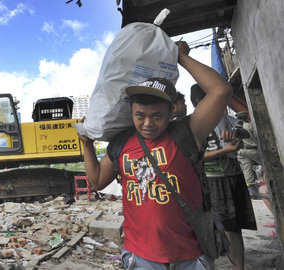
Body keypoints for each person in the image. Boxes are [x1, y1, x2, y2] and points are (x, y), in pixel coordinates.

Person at [79, 41, 231, 269]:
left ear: (170, 112)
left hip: (190, 255)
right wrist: (87, 145)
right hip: (141, 257)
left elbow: (221, 91)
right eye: (140, 115)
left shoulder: (186, 133)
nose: (148, 123)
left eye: (157, 116)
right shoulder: (121, 144)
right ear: (131, 112)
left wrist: (181, 57)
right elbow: (98, 181)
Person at [190, 84, 257, 270]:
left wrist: (235, 137)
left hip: (231, 176)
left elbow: (242, 133)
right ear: (200, 100)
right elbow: (194, 157)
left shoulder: (224, 118)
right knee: (215, 227)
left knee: (233, 227)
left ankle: (238, 267)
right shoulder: (194, 124)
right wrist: (224, 151)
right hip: (211, 179)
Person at [234, 111, 262, 198]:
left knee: (247, 169)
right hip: (252, 150)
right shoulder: (249, 125)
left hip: (241, 151)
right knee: (266, 165)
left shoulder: (235, 126)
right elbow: (257, 137)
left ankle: (251, 190)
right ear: (246, 117)